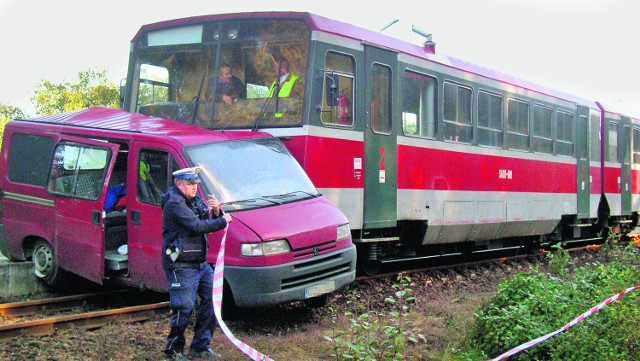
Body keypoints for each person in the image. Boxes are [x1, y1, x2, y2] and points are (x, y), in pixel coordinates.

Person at [161, 166, 232, 360]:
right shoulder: (174, 204)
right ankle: (173, 350)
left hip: (200, 264)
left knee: (212, 302)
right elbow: (196, 226)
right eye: (190, 184)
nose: (195, 187)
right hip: (180, 265)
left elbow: (205, 219)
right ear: (179, 184)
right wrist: (223, 221)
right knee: (183, 307)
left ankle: (201, 347)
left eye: (195, 184)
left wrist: (217, 212)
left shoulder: (195, 200)